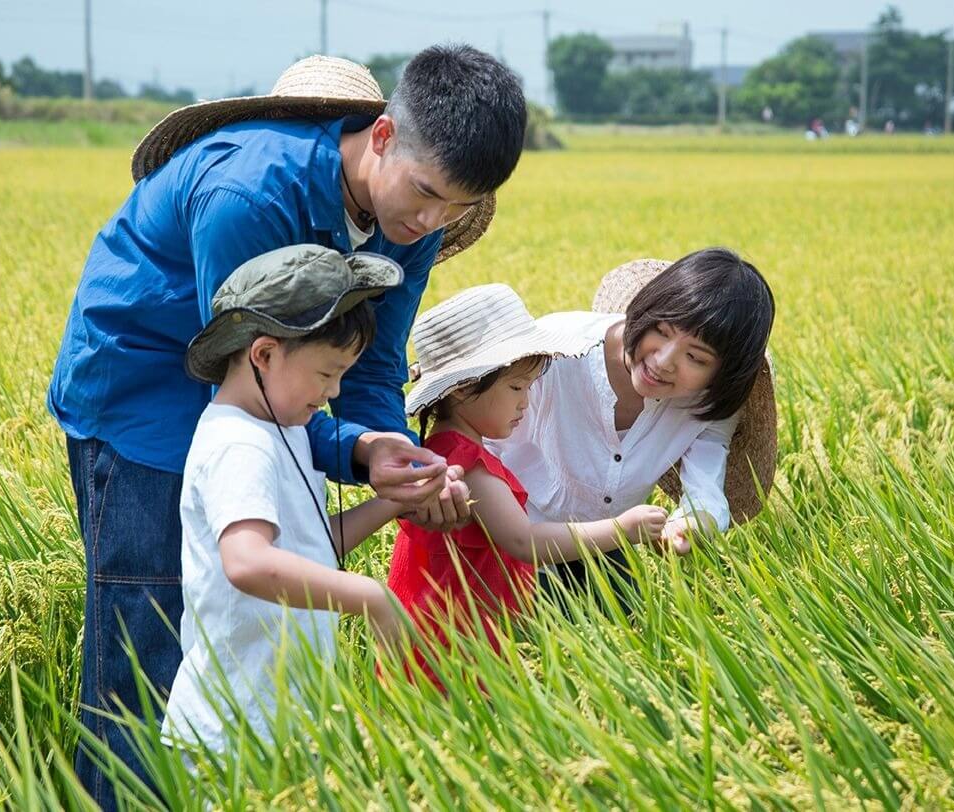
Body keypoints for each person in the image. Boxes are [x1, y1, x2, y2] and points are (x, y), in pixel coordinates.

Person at [47, 47, 525, 805]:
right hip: (143, 392)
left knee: (240, 625)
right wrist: (355, 453)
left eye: (456, 210)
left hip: (260, 391)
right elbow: (246, 379)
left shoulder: (415, 221)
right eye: (426, 194)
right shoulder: (250, 196)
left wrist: (384, 452)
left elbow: (370, 363)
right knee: (149, 639)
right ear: (382, 137)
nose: (430, 222)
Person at [163, 244, 413, 755]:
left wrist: (395, 501)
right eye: (326, 374)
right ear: (265, 354)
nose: (334, 391)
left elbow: (310, 547)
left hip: (283, 721)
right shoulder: (240, 443)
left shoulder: (285, 426)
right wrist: (368, 596)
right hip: (231, 734)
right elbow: (248, 561)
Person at [387, 284, 672, 689]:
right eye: (517, 388)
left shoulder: (452, 450)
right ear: (465, 388)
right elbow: (524, 542)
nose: (526, 402)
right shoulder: (467, 465)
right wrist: (622, 529)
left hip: (454, 624)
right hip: (453, 641)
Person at [488, 249, 776, 615]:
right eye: (662, 331)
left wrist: (686, 526)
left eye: (696, 358)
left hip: (604, 550)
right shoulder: (554, 348)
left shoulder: (706, 404)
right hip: (507, 541)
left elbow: (706, 494)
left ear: (721, 374)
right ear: (645, 310)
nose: (663, 361)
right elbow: (478, 440)